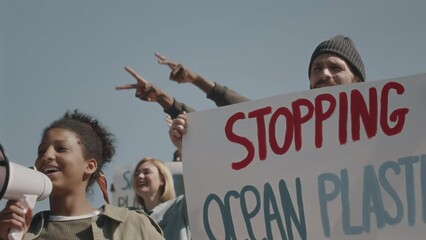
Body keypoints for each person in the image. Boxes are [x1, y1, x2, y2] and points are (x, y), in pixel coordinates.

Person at [167, 34, 366, 150]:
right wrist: (192, 145)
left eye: (336, 68)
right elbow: (248, 115)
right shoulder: (293, 130)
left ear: (357, 80)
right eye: (317, 68)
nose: (324, 74)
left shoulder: (387, 131)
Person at [0, 110, 164, 240]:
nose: (46, 156)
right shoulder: (23, 232)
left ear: (90, 165)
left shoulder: (134, 226)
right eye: (41, 151)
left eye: (61, 148)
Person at [132, 157, 190, 240]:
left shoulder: (181, 206)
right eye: (136, 174)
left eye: (146, 172)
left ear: (162, 179)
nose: (140, 176)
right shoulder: (131, 218)